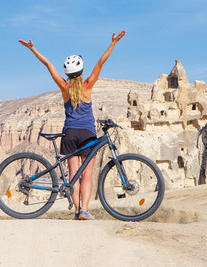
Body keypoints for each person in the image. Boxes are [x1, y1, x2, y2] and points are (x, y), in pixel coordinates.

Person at [18, 30, 126, 219]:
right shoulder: (88, 85)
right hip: (87, 134)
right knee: (87, 174)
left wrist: (33, 50)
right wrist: (114, 43)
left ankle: (77, 211)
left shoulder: (64, 87)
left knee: (73, 174)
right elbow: (101, 62)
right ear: (81, 71)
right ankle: (84, 209)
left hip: (69, 134)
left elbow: (48, 65)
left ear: (67, 73)